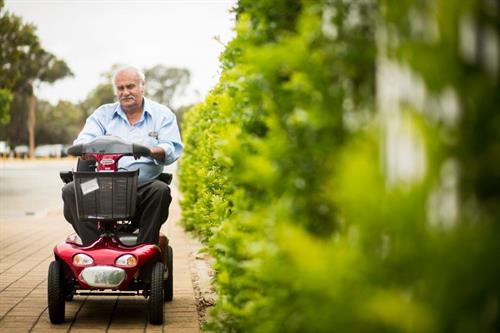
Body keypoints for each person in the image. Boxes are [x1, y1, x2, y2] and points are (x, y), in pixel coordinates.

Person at [62, 65, 183, 246]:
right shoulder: (103, 114)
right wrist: (85, 149)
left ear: (142, 86)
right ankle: (96, 247)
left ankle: (145, 250)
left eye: (130, 86)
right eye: (120, 88)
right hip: (101, 185)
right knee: (71, 191)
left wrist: (152, 151)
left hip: (141, 187)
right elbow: (84, 139)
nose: (125, 92)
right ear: (116, 91)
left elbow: (171, 147)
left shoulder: (162, 115)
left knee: (161, 191)